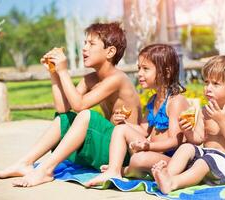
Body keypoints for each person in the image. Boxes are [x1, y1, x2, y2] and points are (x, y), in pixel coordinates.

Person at [0, 22, 142, 187]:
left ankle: (45, 170)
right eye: (85, 43)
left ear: (110, 52)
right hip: (108, 146)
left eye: (91, 44)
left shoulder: (117, 78)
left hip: (123, 152)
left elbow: (79, 105)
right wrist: (54, 72)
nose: (84, 48)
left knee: (86, 115)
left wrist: (64, 71)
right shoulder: (91, 79)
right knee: (65, 118)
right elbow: (63, 108)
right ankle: (25, 163)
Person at [85, 44, 203, 187]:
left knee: (138, 160)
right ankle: (113, 170)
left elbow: (175, 142)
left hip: (173, 160)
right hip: (154, 154)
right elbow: (143, 130)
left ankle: (125, 170)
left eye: (145, 69)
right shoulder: (153, 100)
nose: (139, 73)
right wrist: (124, 123)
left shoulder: (176, 101)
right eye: (139, 68)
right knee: (120, 129)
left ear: (166, 72)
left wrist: (149, 146)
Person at [151, 55, 225, 194]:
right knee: (186, 147)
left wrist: (222, 121)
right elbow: (197, 140)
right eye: (206, 82)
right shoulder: (204, 111)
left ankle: (173, 183)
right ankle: (167, 175)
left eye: (215, 84)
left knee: (205, 161)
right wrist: (188, 131)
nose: (208, 88)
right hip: (207, 156)